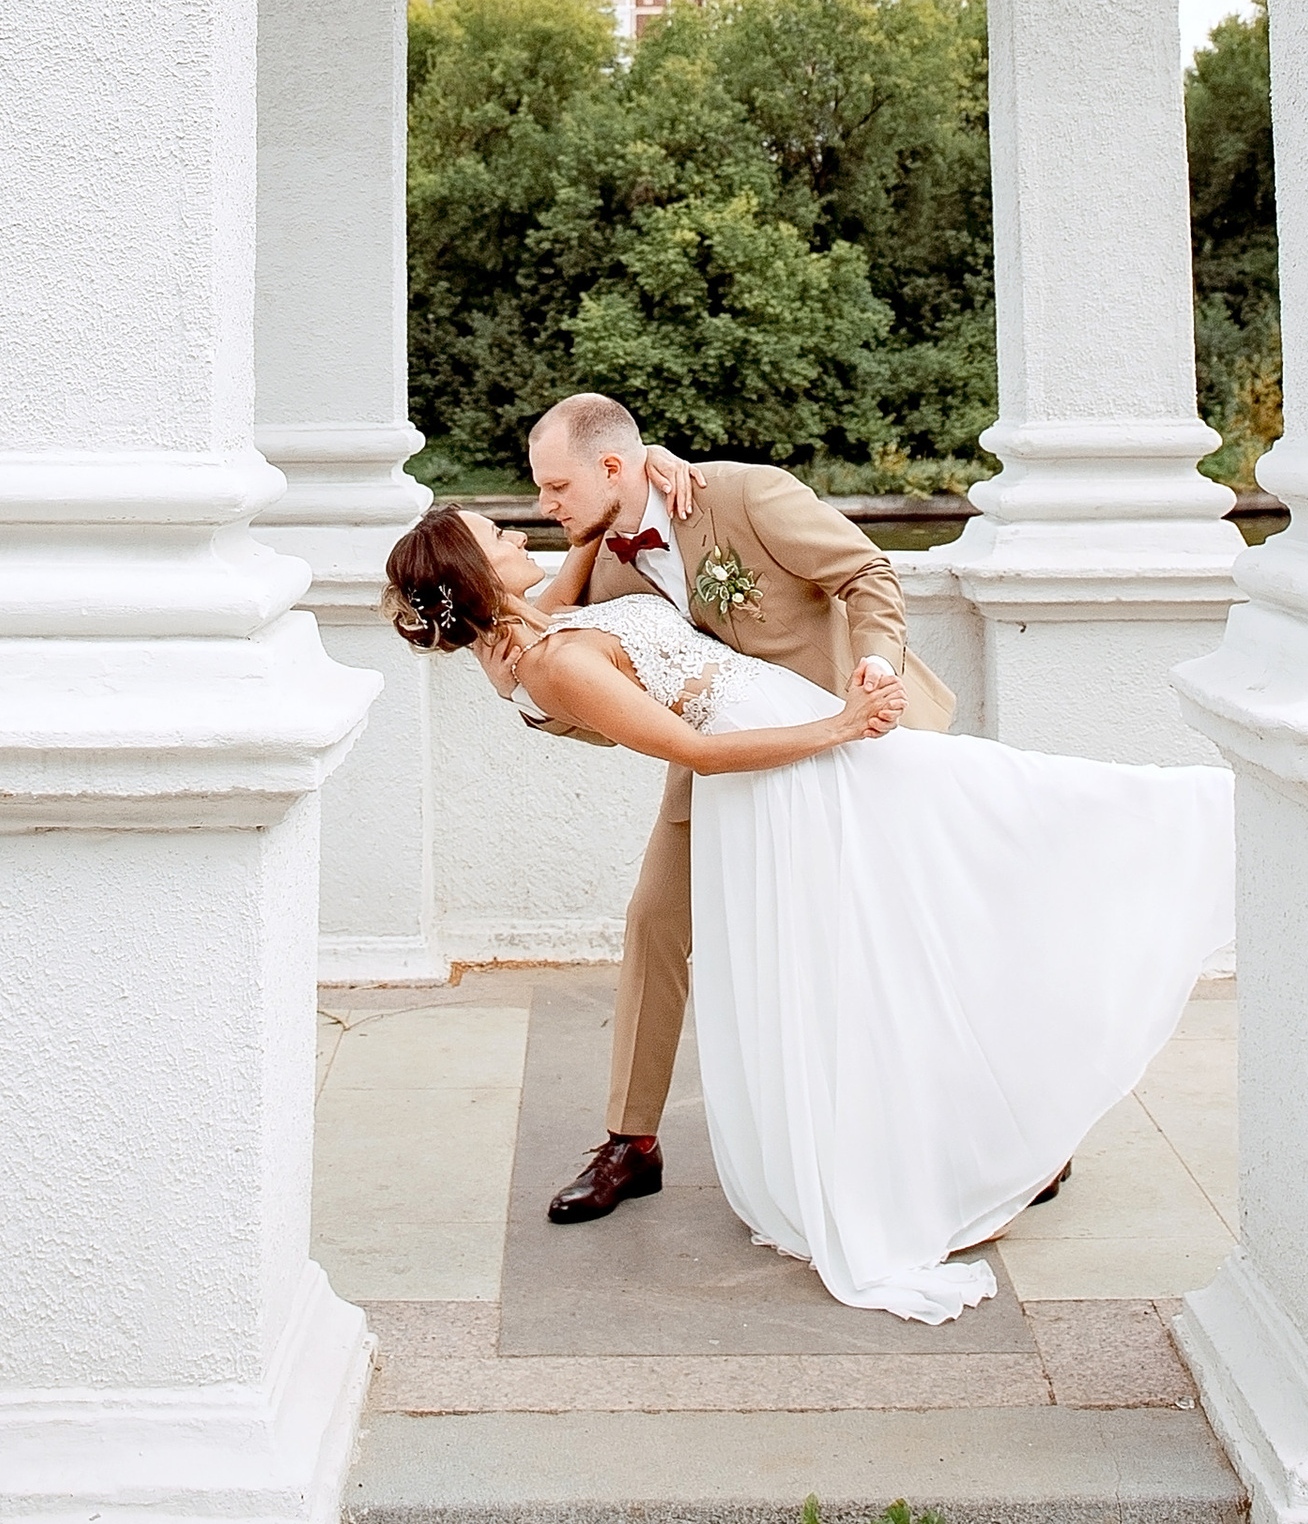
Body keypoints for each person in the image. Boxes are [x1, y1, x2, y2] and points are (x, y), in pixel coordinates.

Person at [384, 489, 1235, 1326]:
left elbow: (557, 591)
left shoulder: (522, 629)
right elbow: (698, 751)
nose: (518, 520)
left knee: (959, 848)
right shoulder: (552, 660)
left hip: (784, 725)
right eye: (495, 529)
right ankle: (1199, 820)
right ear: (474, 569)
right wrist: (843, 725)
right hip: (782, 762)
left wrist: (617, 498)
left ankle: (1005, 1094)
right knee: (945, 873)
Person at [516, 392, 953, 1226]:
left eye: (555, 486)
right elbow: (570, 671)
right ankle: (631, 1141)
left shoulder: (743, 495)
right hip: (723, 762)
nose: (545, 506)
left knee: (905, 935)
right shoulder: (600, 563)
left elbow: (867, 572)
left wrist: (877, 666)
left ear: (613, 466)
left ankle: (998, 1129)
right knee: (654, 922)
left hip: (852, 734)